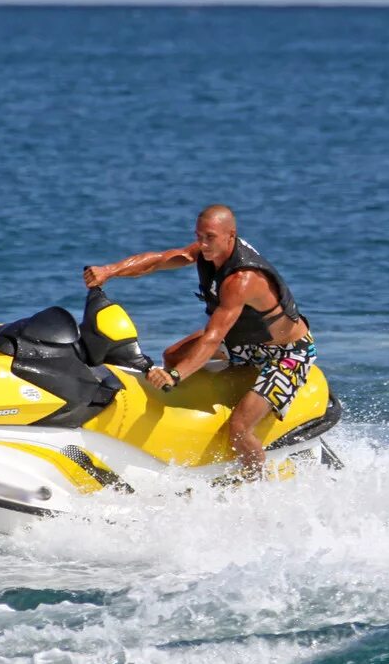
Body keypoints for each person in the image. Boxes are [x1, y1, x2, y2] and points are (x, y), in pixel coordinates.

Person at [83, 204, 315, 479]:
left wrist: (175, 376)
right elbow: (160, 259)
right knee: (173, 355)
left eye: (210, 238)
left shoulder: (242, 280)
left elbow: (213, 337)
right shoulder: (209, 251)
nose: (202, 245)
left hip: (285, 354)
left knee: (240, 429)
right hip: (246, 343)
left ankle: (257, 483)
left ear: (231, 235)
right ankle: (195, 429)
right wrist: (110, 270)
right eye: (199, 236)